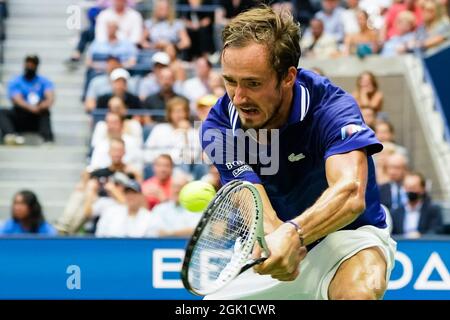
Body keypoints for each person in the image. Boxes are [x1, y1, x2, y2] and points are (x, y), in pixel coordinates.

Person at [200, 6, 396, 300]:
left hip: (345, 238)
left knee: (359, 293)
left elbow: (351, 193)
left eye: (253, 83)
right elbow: (255, 205)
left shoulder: (331, 109)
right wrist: (278, 240)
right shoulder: (218, 126)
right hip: (279, 244)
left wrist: (294, 234)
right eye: (230, 81)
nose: (238, 97)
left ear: (288, 77)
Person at [0, 55, 55, 144]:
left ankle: (48, 139)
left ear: (36, 66)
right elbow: (17, 99)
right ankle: (10, 135)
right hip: (21, 114)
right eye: (28, 63)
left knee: (45, 112)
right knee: (2, 112)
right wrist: (31, 108)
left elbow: (50, 98)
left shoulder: (44, 81)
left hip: (37, 115)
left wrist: (41, 106)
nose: (30, 66)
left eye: (32, 64)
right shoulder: (16, 81)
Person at [147, 173, 202, 237]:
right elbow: (154, 231)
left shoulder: (195, 208)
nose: (176, 190)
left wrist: (170, 234)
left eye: (180, 187)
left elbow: (196, 230)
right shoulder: (160, 208)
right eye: (174, 186)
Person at [391, 171, 443, 237]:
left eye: (413, 187)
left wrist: (420, 236)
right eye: (407, 187)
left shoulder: (433, 211)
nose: (410, 191)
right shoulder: (396, 213)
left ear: (422, 189)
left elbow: (436, 231)